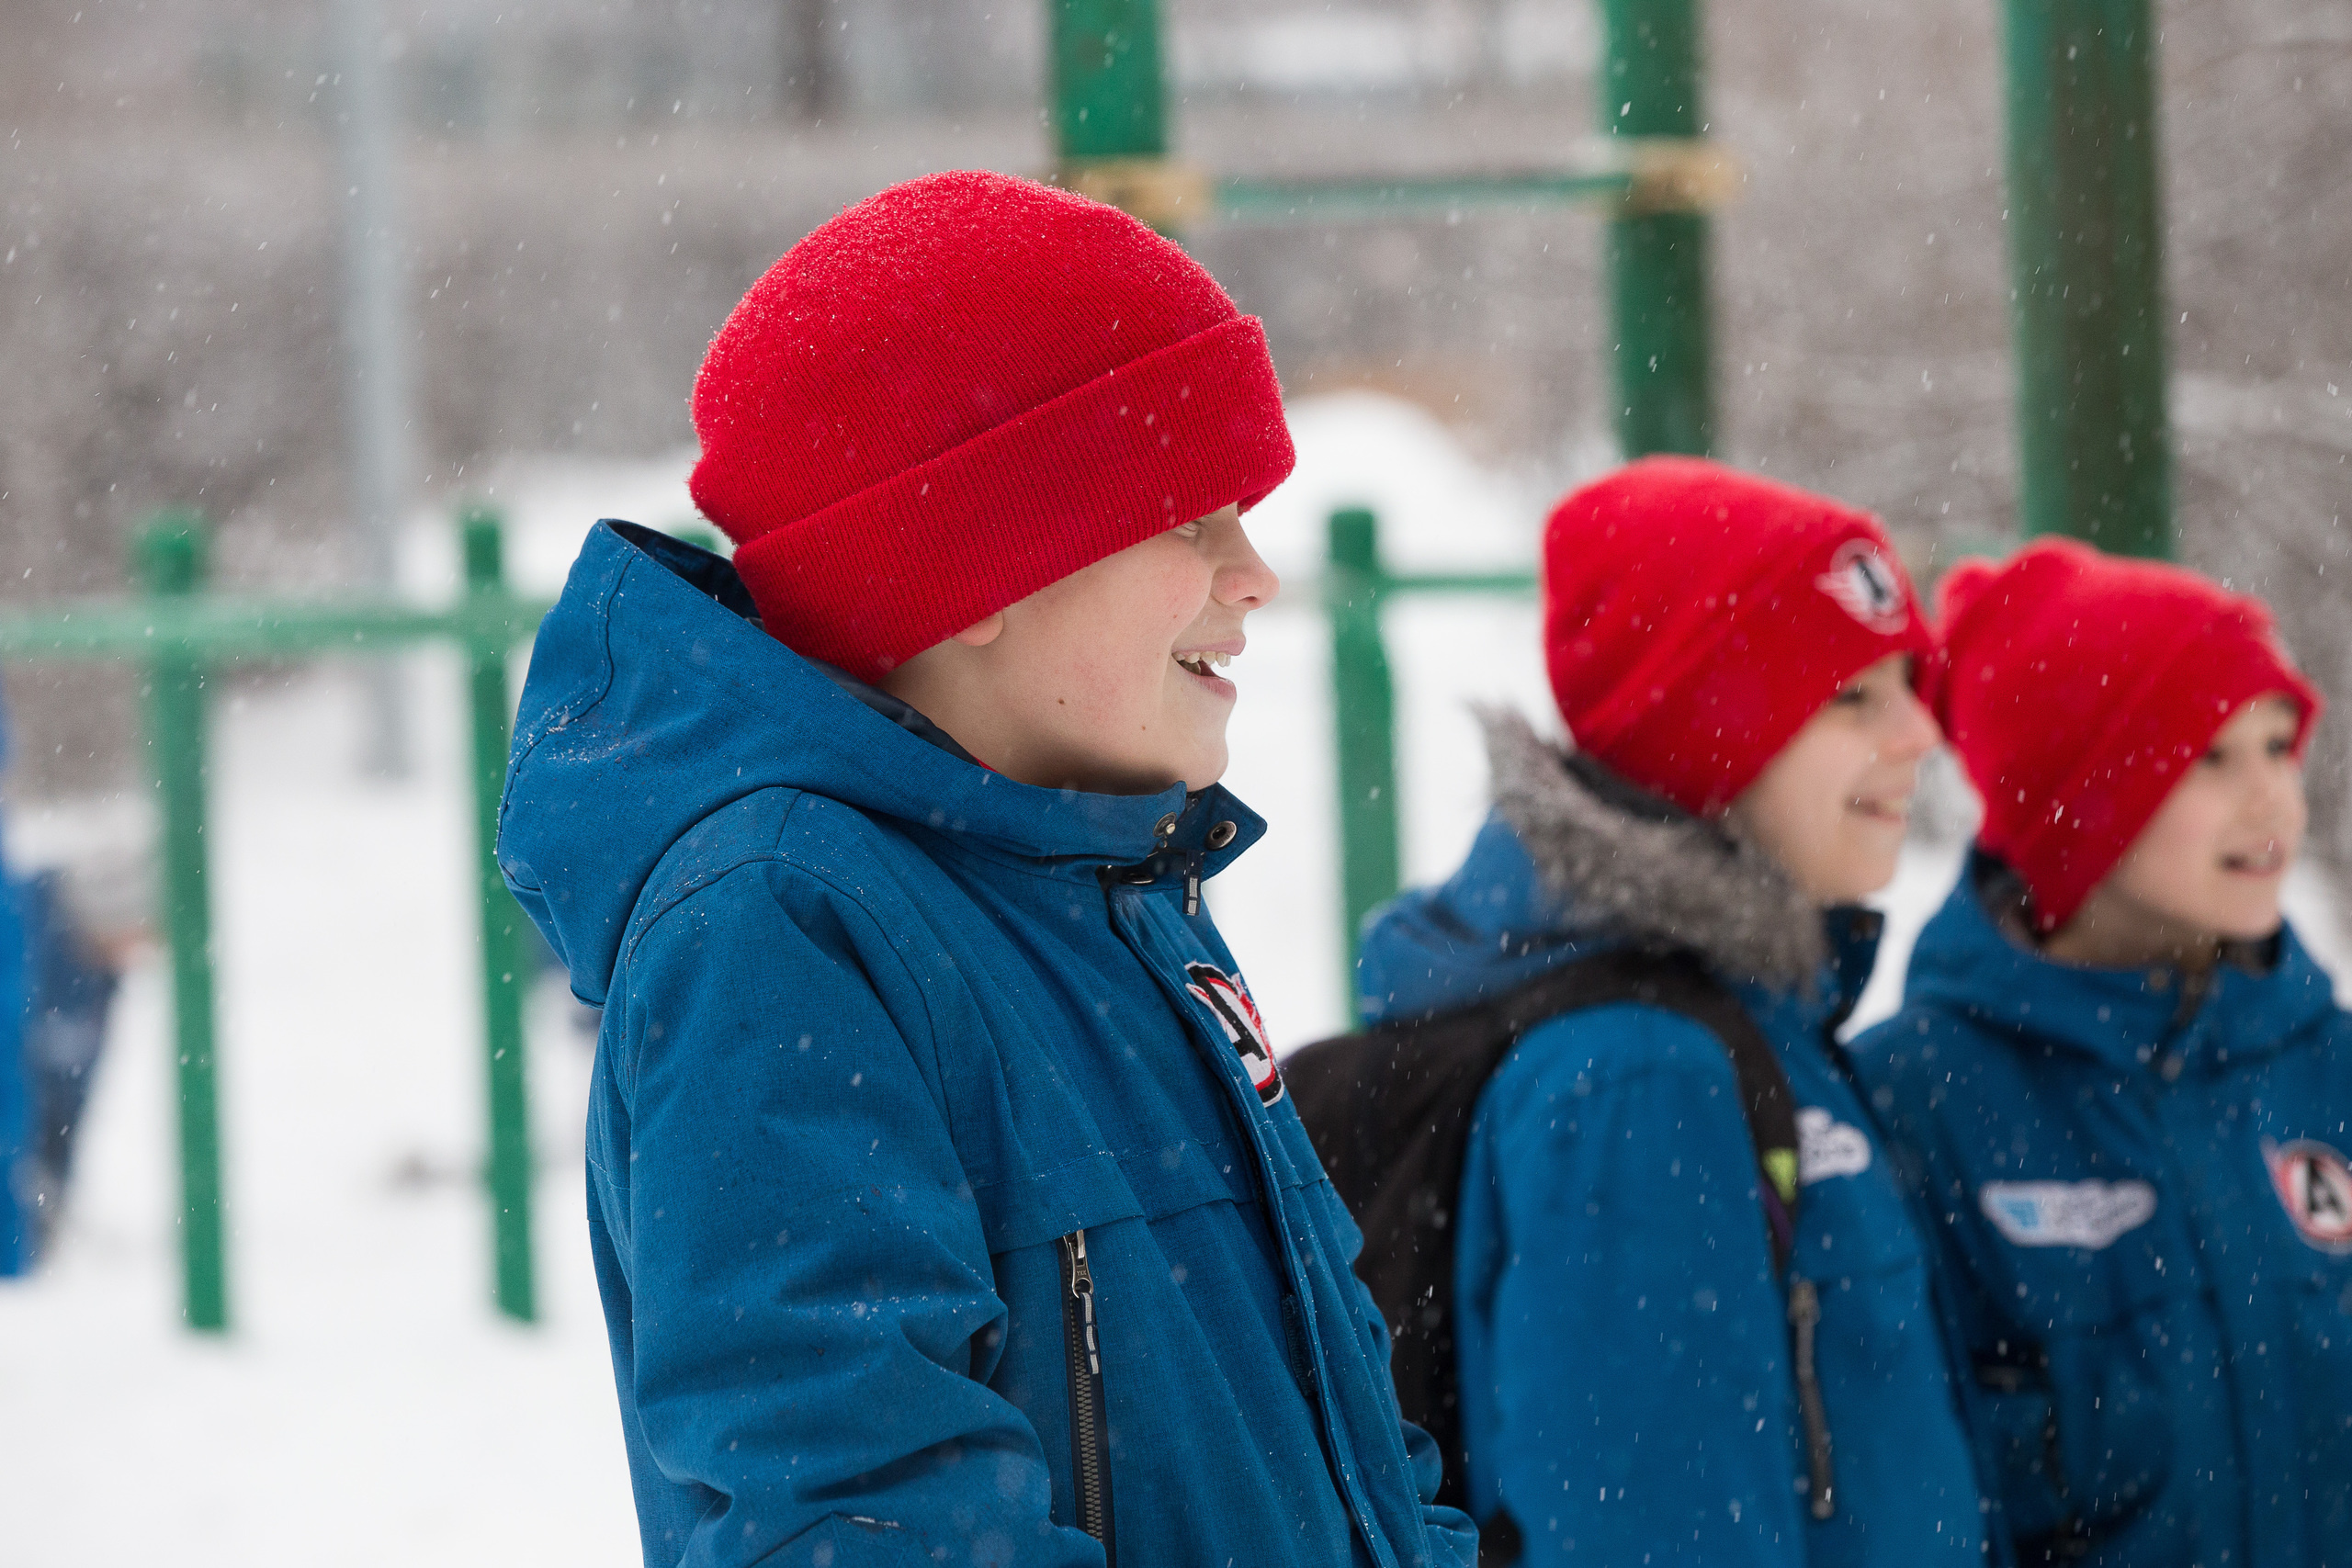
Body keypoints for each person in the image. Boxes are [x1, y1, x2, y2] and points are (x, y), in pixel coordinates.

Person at [499, 171, 1476, 1568]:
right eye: (1193, 516)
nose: (1253, 572)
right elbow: (862, 1512)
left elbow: (1349, 1433)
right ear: (988, 567)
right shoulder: (784, 926)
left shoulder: (1118, 892)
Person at [1353, 457, 1989, 1566]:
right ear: (1708, 733)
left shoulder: (1754, 1016)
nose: (1919, 737)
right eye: (1853, 697)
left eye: (1907, 684)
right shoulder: (1641, 1073)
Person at [1850, 539, 2346, 1567]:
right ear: (2076, 802)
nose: (2273, 802)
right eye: (2210, 757)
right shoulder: (1907, 1105)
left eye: (2276, 745)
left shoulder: (2328, 1067)